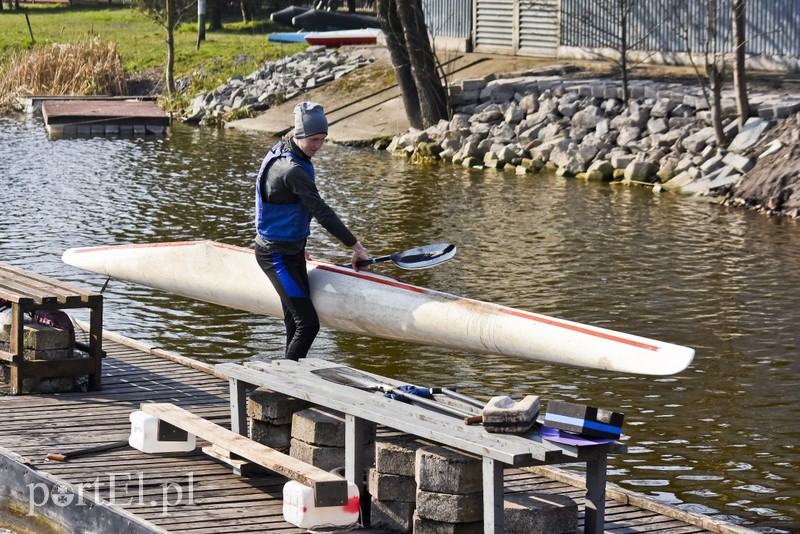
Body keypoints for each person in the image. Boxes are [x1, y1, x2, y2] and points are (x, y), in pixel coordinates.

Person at [254, 101, 369, 361]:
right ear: (298, 135)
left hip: (292, 252)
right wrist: (356, 247)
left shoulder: (293, 153)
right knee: (308, 325)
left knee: (295, 323)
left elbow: (293, 209)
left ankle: (286, 383)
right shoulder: (291, 170)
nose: (318, 146)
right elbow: (322, 212)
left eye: (323, 140)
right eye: (314, 139)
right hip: (275, 256)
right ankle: (283, 384)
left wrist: (301, 248)